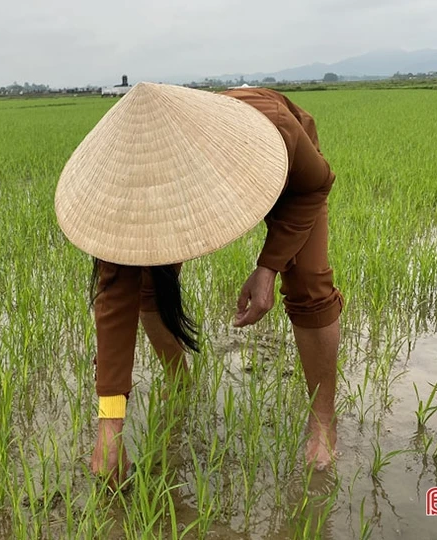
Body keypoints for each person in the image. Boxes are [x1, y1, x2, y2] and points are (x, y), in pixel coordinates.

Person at [54, 83, 343, 491]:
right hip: (200, 170)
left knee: (310, 285)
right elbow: (116, 300)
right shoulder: (123, 195)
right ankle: (180, 386)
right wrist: (110, 423)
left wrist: (269, 266)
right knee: (150, 286)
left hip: (282, 172)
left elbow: (315, 186)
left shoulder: (273, 128)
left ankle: (323, 424)